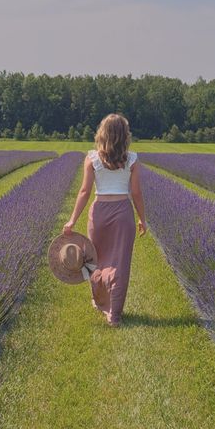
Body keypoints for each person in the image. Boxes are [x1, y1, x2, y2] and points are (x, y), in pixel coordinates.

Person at [62, 113, 147, 327]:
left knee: (94, 260)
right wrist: (142, 219)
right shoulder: (133, 159)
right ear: (124, 135)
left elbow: (84, 191)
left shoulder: (91, 158)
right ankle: (114, 315)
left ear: (102, 133)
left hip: (99, 213)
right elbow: (136, 193)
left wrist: (72, 220)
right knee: (120, 264)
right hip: (123, 213)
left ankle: (100, 301)